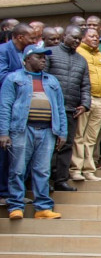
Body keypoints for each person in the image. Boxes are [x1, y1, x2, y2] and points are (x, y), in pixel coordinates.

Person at [1, 46, 66, 220]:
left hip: (47, 131)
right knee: (18, 169)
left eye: (45, 57)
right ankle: (16, 206)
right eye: (39, 57)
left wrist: (62, 132)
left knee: (43, 170)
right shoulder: (13, 78)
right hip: (21, 130)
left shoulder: (52, 80)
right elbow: (5, 107)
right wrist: (3, 133)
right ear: (27, 59)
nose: (44, 60)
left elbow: (60, 108)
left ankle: (42, 208)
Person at [45, 25, 90, 191]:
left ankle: (61, 180)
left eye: (79, 39)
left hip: (71, 109)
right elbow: (43, 79)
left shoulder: (81, 59)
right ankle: (46, 181)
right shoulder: (50, 53)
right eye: (74, 37)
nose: (77, 41)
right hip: (51, 108)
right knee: (50, 145)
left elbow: (86, 85)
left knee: (67, 145)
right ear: (64, 36)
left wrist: (85, 104)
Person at [0, 23, 38, 204]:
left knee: (17, 157)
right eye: (31, 37)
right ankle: (3, 193)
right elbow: (2, 76)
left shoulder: (27, 52)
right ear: (20, 37)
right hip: (7, 106)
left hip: (22, 110)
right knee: (4, 154)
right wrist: (25, 73)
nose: (35, 40)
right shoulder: (3, 51)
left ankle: (13, 193)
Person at [70, 28, 101, 182]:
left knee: (92, 137)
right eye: (91, 36)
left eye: (97, 36)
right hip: (85, 98)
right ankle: (75, 169)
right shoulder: (78, 52)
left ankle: (89, 169)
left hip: (100, 98)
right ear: (83, 38)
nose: (95, 39)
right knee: (79, 135)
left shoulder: (99, 54)